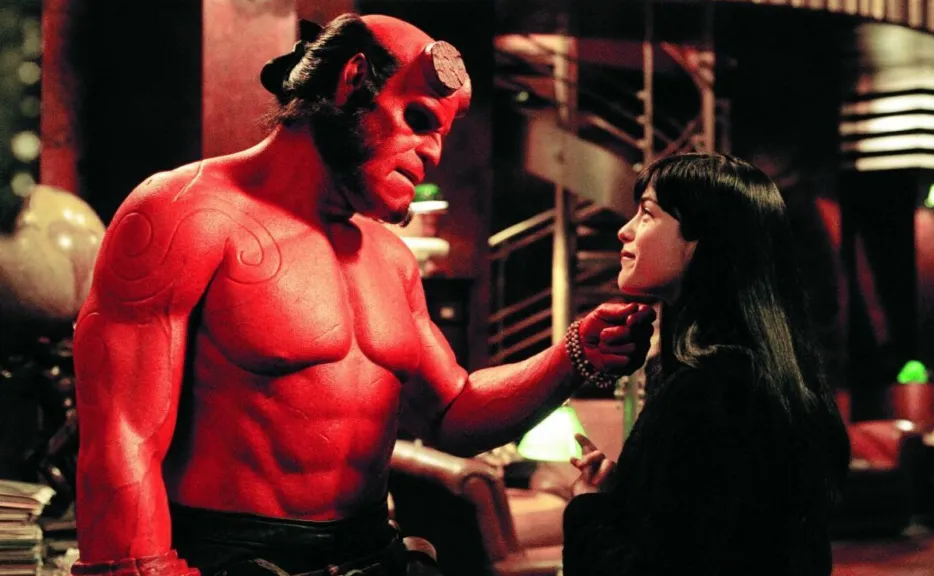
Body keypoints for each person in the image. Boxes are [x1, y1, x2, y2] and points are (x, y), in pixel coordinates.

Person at [70, 13, 656, 576]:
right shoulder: (185, 213)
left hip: (372, 552)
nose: (434, 153)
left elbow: (452, 412)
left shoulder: (391, 259)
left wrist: (574, 354)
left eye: (441, 135)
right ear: (351, 81)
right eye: (419, 119)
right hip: (234, 556)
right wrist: (139, 567)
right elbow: (122, 432)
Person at [562, 153, 851, 575]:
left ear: (704, 241)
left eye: (647, 214)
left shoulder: (708, 391)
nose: (625, 230)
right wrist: (623, 489)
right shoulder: (773, 377)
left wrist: (586, 508)